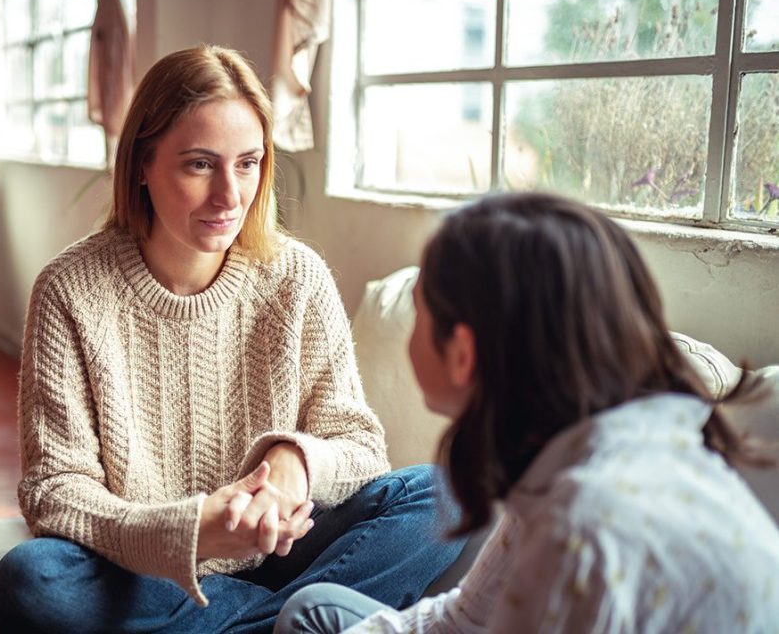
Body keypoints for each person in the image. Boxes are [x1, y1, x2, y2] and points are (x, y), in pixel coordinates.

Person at [0, 45, 466, 633]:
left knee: (446, 494)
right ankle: (292, 623)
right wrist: (192, 530)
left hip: (287, 557)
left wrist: (295, 462)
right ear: (142, 163)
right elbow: (55, 490)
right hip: (146, 573)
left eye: (248, 163)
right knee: (30, 582)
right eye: (198, 164)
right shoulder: (70, 290)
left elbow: (359, 443)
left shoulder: (297, 276)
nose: (230, 195)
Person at [275, 192, 779, 633]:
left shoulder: (582, 528)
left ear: (463, 353)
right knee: (314, 610)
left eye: (421, 311)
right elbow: (467, 618)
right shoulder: (573, 451)